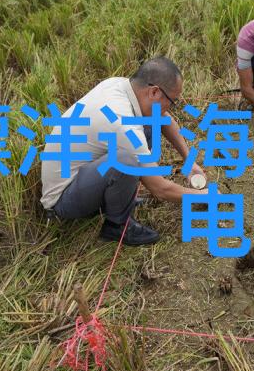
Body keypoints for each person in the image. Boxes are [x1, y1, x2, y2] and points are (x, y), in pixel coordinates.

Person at [40, 57, 208, 246]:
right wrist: (204, 196)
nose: (171, 107)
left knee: (148, 126)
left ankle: (117, 198)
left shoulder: (119, 86)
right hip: (64, 199)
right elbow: (159, 189)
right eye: (172, 101)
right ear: (154, 91)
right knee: (126, 160)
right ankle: (118, 226)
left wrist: (189, 160)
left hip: (85, 175)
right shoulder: (121, 124)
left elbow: (163, 118)